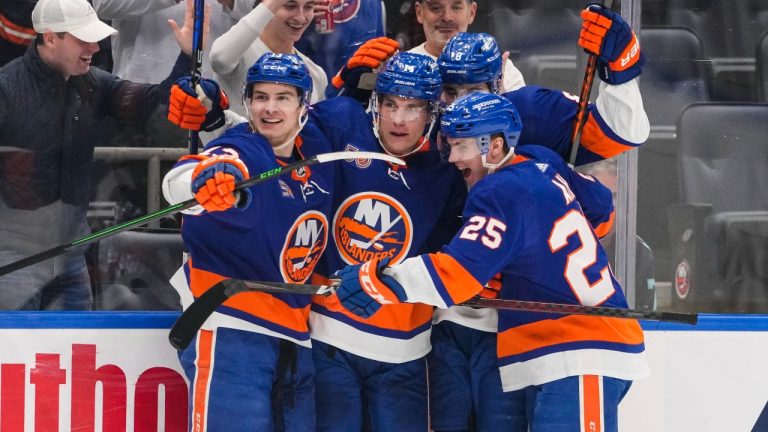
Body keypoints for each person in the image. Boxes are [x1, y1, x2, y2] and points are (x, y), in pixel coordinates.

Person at [332, 92, 650, 431]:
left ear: (494, 146)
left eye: (462, 146)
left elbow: (455, 276)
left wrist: (379, 279)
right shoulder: (538, 164)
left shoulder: (500, 190)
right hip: (560, 351)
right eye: (450, 145)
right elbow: (600, 214)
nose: (452, 158)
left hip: (581, 348)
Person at [162, 53, 334, 431]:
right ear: (248, 101)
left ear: (304, 105)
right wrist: (205, 180)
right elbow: (194, 173)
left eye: (282, 98)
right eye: (260, 97)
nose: (269, 108)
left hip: (296, 336)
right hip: (232, 327)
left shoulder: (316, 152)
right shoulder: (243, 147)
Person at [0, 0, 200, 310]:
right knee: (11, 355)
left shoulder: (93, 83)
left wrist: (186, 58)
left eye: (96, 38)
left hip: (71, 254)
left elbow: (155, 102)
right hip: (12, 260)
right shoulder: (6, 90)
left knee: (79, 354)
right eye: (84, 38)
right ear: (51, 37)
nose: (95, 47)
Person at [209, 0, 328, 116]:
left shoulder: (315, 74)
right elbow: (219, 58)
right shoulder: (239, 53)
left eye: (308, 7)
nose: (301, 18)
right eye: (290, 6)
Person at [580, 158, 657, 311]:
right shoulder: (559, 243)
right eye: (599, 194)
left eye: (614, 196)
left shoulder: (638, 251)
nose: (607, 204)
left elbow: (647, 318)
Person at [411, 0, 525, 93]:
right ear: (419, 12)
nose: (447, 17)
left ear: (471, 12)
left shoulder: (502, 70)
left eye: (456, 7)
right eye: (435, 7)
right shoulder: (400, 67)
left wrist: (502, 99)